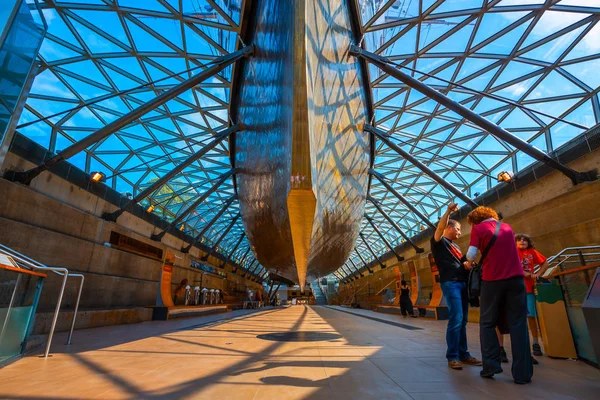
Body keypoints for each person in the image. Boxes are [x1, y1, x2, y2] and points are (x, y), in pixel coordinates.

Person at [464, 206, 533, 384]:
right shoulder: (508, 227)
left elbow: (471, 254)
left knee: (487, 322)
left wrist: (468, 262)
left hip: (492, 279)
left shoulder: (478, 229)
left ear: (475, 220)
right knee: (518, 323)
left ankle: (491, 366)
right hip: (516, 279)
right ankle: (523, 374)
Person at [431, 203, 482, 370]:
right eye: (458, 229)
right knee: (456, 318)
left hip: (462, 283)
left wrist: (467, 264)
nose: (460, 232)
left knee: (463, 320)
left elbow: (461, 263)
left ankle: (463, 353)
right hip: (450, 283)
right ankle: (452, 356)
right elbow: (439, 227)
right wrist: (448, 211)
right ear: (449, 228)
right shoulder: (439, 242)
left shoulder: (456, 247)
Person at [516, 233, 549, 357]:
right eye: (519, 240)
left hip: (529, 289)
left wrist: (538, 274)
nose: (522, 241)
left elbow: (545, 263)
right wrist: (523, 273)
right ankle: (521, 344)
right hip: (516, 289)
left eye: (525, 240)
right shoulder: (512, 251)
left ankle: (535, 343)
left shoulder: (532, 252)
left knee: (531, 316)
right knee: (518, 318)